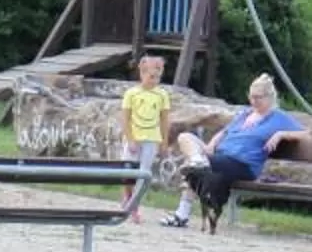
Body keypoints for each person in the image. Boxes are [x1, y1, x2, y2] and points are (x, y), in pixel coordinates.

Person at [164, 72, 302, 231]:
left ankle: (182, 213)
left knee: (198, 167)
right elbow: (225, 132)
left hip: (243, 163)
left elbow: (308, 134)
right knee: (185, 138)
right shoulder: (245, 114)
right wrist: (211, 145)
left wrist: (281, 134)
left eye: (258, 97)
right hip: (221, 156)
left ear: (269, 97)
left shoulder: (278, 117)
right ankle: (197, 161)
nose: (253, 101)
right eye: (251, 97)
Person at [117, 54, 171, 223]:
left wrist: (164, 141)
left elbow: (164, 119)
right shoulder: (131, 94)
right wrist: (130, 139)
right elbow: (125, 118)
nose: (154, 80)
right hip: (135, 138)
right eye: (151, 76)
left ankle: (135, 206)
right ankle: (127, 196)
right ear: (142, 73)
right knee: (128, 172)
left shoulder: (162, 95)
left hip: (151, 139)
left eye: (157, 77)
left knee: (143, 174)